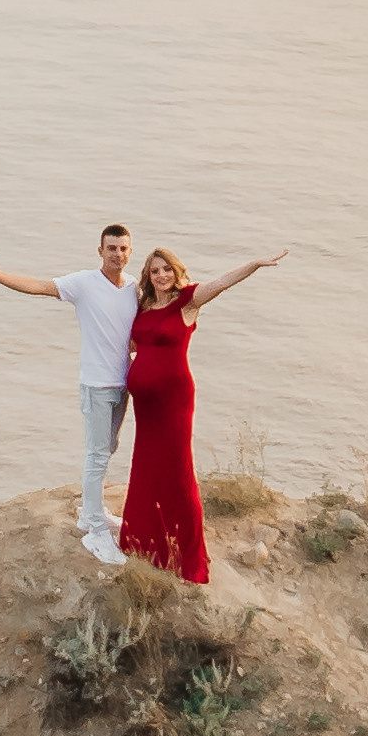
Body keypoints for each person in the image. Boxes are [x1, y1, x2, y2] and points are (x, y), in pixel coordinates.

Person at [119, 245, 288, 585]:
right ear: (148, 277)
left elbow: (223, 282)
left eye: (167, 269)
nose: (162, 275)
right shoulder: (144, 305)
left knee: (177, 471)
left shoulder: (189, 301)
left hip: (174, 400)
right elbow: (133, 343)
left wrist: (253, 263)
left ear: (176, 271)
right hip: (146, 405)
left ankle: (186, 554)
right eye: (155, 271)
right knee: (147, 467)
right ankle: (145, 542)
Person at [0, 224, 137, 566]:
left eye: (123, 249)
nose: (117, 254)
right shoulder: (84, 283)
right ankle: (94, 531)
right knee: (97, 455)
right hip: (96, 384)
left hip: (124, 384)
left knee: (109, 448)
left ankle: (93, 511)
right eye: (111, 248)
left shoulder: (134, 287)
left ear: (129, 252)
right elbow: (42, 286)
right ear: (100, 251)